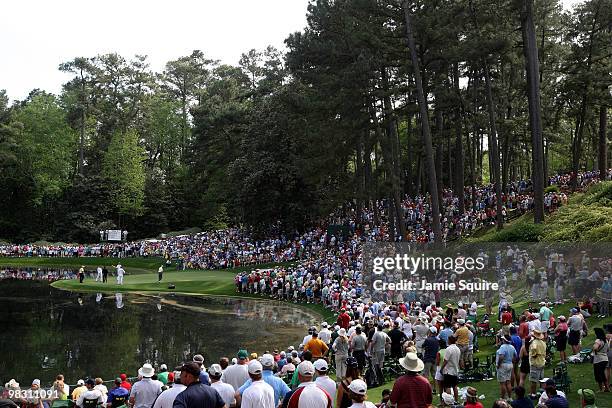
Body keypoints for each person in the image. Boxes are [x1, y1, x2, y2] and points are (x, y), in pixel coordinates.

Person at [497, 335, 518, 399]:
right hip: (510, 364)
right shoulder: (512, 347)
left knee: (502, 383)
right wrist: (512, 362)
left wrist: (498, 364)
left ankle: (502, 398)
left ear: (504, 340)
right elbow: (515, 356)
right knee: (508, 382)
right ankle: (510, 397)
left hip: (503, 365)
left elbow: (501, 356)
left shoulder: (503, 347)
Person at [442, 336, 461, 401]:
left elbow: (445, 360)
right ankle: (456, 400)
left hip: (449, 370)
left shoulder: (448, 349)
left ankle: (449, 401)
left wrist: (442, 368)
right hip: (455, 369)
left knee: (448, 386)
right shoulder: (457, 349)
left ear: (449, 341)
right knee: (455, 386)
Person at [528, 330, 546, 398]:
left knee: (534, 380)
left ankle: (533, 394)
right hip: (542, 362)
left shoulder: (534, 343)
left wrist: (534, 355)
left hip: (535, 363)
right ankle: (541, 392)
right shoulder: (543, 343)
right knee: (541, 378)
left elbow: (534, 349)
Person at [592, 327, 610, 391]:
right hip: (605, 359)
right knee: (602, 374)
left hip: (598, 359)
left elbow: (595, 348)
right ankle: (607, 388)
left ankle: (601, 389)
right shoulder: (606, 341)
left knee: (598, 374)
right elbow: (608, 349)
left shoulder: (598, 340)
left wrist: (595, 349)